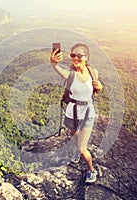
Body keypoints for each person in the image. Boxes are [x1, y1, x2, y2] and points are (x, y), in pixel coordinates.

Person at [50, 43, 102, 183]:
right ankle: (79, 150)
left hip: (87, 113)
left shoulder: (93, 72)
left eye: (79, 55)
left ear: (87, 57)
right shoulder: (71, 75)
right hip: (72, 111)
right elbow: (59, 70)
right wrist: (54, 64)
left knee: (81, 147)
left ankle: (92, 170)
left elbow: (94, 90)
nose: (76, 58)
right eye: (73, 55)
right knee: (74, 134)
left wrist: (100, 88)